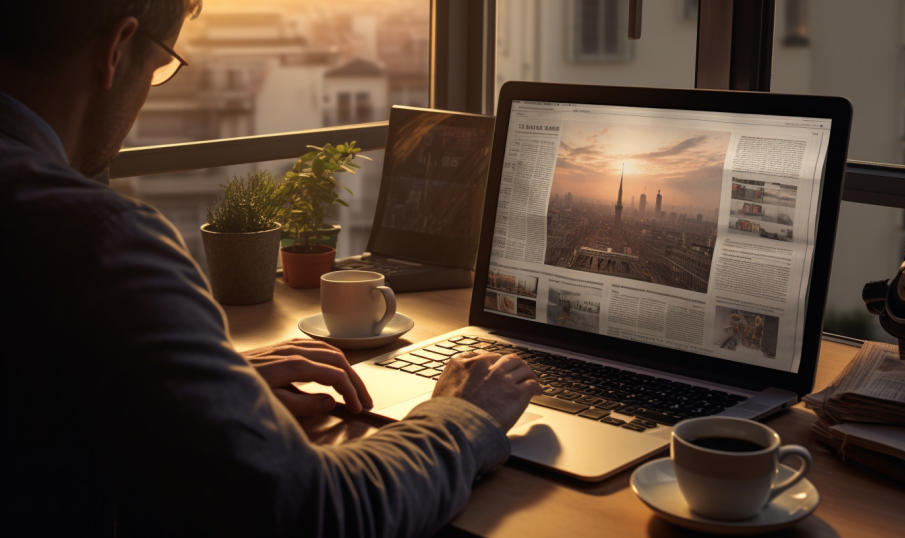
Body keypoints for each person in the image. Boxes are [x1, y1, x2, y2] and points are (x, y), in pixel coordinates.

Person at [0, 2, 539, 536]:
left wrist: (199, 394)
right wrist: (462, 417)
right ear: (116, 49)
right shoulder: (96, 240)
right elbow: (321, 514)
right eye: (161, 63)